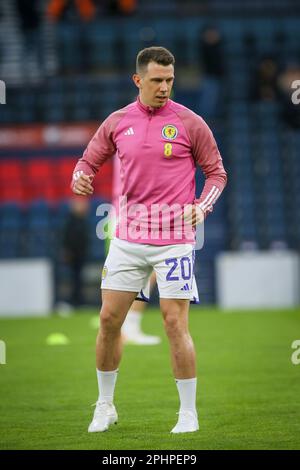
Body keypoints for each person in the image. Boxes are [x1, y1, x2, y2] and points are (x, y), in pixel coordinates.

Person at [71, 46, 227, 434]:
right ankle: (105, 406)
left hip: (175, 239)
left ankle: (187, 413)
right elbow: (87, 161)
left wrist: (202, 207)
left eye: (170, 80)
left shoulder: (191, 123)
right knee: (109, 320)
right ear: (138, 80)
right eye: (157, 80)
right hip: (127, 237)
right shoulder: (118, 121)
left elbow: (217, 174)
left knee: (175, 323)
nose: (164, 87)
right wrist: (80, 176)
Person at [111, 156, 161, 345]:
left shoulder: (127, 138)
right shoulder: (135, 140)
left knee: (140, 273)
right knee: (145, 272)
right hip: (130, 214)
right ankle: (128, 327)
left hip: (126, 212)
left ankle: (124, 327)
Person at [62, 196, 89, 308]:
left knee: (79, 278)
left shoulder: (82, 221)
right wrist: (68, 251)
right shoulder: (71, 221)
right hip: (73, 255)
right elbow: (67, 238)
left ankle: (79, 301)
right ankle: (75, 301)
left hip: (81, 254)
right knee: (74, 279)